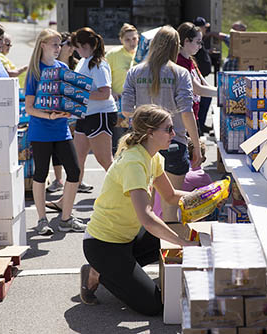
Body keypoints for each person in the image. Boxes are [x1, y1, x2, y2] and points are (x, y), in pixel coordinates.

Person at [81, 104, 197, 313]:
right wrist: (181, 243)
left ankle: (114, 270)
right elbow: (147, 217)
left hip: (128, 239)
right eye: (168, 129)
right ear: (150, 132)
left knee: (166, 233)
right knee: (153, 306)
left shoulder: (153, 157)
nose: (174, 133)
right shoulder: (134, 162)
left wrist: (204, 197)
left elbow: (170, 196)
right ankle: (98, 271)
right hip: (102, 245)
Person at [122, 25, 202, 223]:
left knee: (144, 211)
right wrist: (197, 146)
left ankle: (145, 252)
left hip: (144, 145)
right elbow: (186, 112)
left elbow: (126, 110)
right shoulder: (181, 73)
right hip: (174, 143)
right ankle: (169, 251)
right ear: (176, 47)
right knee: (170, 208)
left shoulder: (134, 72)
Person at [24, 28, 85, 235]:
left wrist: (71, 110)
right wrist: (48, 116)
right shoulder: (34, 71)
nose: (59, 48)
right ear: (42, 45)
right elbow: (30, 108)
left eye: (60, 44)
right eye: (54, 44)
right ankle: (42, 220)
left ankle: (66, 218)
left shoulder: (62, 67)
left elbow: (68, 99)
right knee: (41, 174)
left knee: (74, 172)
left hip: (61, 129)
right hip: (41, 130)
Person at [69, 27, 117, 195]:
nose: (76, 50)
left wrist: (79, 93)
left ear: (89, 45)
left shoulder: (98, 64)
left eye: (78, 46)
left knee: (105, 160)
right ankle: (67, 199)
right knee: (77, 158)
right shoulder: (84, 60)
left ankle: (128, 193)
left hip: (100, 115)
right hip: (85, 114)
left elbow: (105, 93)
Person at [47, 32, 87, 193]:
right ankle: (58, 180)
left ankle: (78, 180)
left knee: (76, 148)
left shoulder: (77, 64)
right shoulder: (51, 64)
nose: (72, 48)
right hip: (56, 111)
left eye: (73, 44)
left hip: (73, 112)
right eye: (69, 44)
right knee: (56, 147)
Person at [152, 138, 211, 218]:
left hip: (155, 215)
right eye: (203, 159)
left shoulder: (163, 171)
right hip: (171, 217)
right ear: (196, 157)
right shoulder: (200, 176)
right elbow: (212, 194)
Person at [176, 22, 217, 136]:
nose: (200, 46)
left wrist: (224, 91)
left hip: (193, 116)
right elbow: (197, 89)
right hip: (183, 120)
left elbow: (204, 84)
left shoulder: (191, 60)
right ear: (186, 41)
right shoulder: (179, 62)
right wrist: (224, 93)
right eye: (198, 42)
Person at [106, 23, 139, 155]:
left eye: (134, 39)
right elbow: (104, 76)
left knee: (136, 141)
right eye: (127, 39)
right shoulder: (113, 54)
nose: (132, 42)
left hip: (137, 104)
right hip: (118, 103)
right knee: (119, 142)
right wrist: (111, 91)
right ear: (121, 40)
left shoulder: (141, 55)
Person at [192, 17, 214, 135]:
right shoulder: (185, 60)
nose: (200, 46)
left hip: (201, 77)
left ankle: (200, 125)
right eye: (204, 27)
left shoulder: (198, 42)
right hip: (197, 79)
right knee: (203, 98)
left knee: (206, 98)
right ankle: (198, 126)